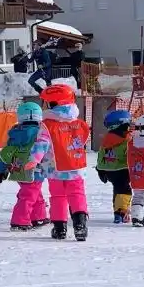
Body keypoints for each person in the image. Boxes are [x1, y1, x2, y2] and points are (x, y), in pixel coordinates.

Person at [39, 84, 92, 240]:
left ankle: (60, 228)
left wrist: (33, 160)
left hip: (54, 169)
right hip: (75, 167)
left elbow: (41, 145)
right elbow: (83, 140)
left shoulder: (46, 125)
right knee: (77, 194)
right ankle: (80, 225)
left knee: (57, 197)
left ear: (52, 103)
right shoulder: (79, 123)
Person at [0, 101, 51, 231]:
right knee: (28, 195)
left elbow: (7, 153)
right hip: (34, 169)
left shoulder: (15, 134)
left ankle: (38, 217)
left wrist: (1, 169)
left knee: (34, 193)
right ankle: (19, 221)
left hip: (17, 169)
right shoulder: (41, 133)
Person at [96, 109, 134, 222]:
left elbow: (101, 153)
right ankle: (121, 212)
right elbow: (129, 154)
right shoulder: (127, 139)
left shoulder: (107, 138)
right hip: (121, 169)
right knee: (124, 190)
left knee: (117, 189)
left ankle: (117, 211)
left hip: (107, 169)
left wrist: (100, 169)